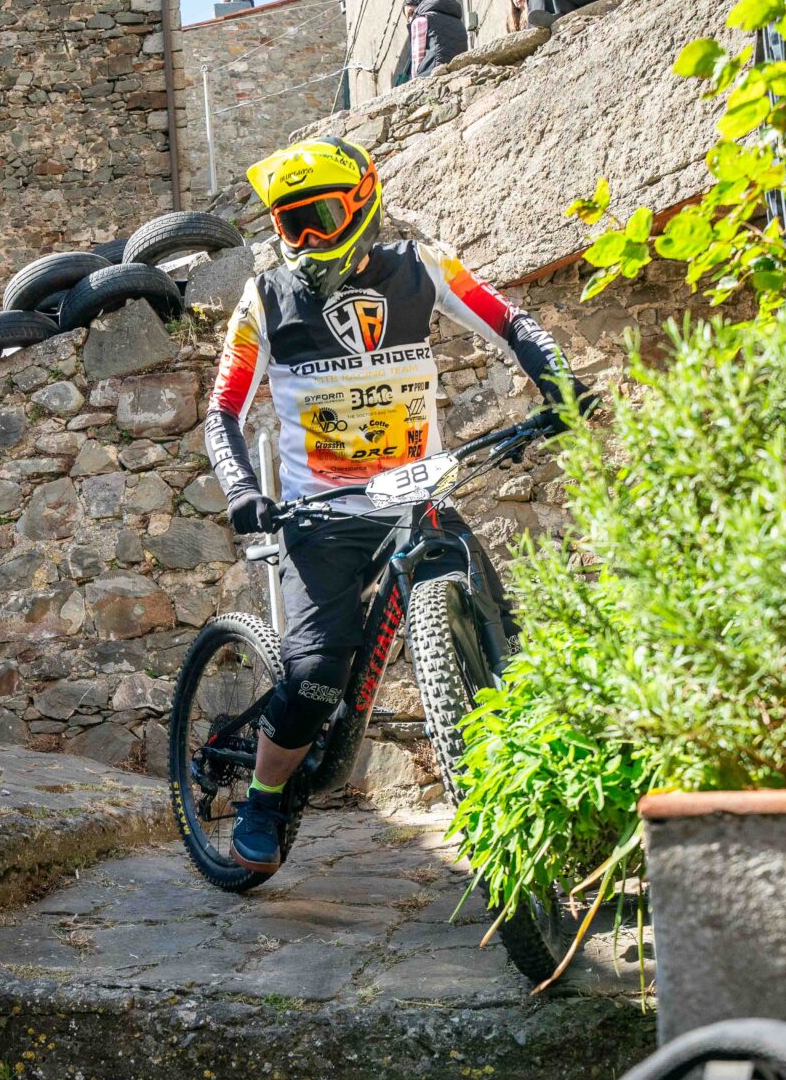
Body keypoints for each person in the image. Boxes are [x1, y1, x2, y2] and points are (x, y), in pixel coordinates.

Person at [204, 137, 590, 873]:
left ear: (363, 205)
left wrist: (560, 387)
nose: (306, 240)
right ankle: (263, 796)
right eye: (290, 225)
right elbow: (223, 411)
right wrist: (244, 490)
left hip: (420, 498)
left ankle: (526, 800)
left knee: (502, 642)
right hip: (322, 519)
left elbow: (511, 323)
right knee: (315, 674)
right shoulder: (266, 298)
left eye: (319, 218)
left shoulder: (422, 268)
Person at [406, 0, 470, 80]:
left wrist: (415, 81)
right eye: (408, 18)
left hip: (430, 73)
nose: (410, 19)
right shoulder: (457, 20)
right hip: (458, 70)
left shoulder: (419, 20)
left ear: (420, 4)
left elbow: (417, 57)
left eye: (411, 13)